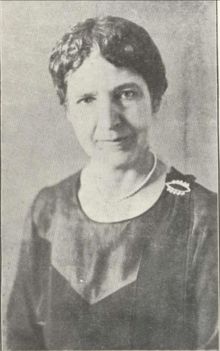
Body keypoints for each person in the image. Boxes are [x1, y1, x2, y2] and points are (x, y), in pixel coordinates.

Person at [7, 16, 218, 350]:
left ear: (156, 99)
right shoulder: (48, 210)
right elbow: (21, 339)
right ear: (67, 111)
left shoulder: (203, 217)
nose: (108, 120)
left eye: (126, 94)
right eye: (87, 100)